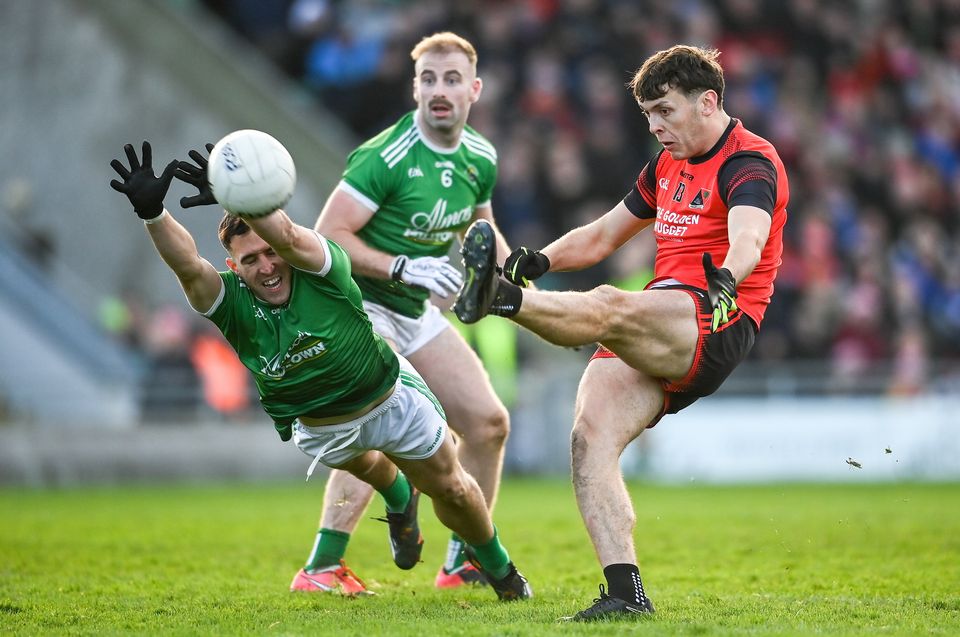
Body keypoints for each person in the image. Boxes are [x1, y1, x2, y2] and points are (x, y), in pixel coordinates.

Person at [108, 140, 532, 603]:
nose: (267, 265)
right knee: (370, 465)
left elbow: (288, 236)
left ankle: (498, 566)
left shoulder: (321, 266)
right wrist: (153, 213)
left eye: (269, 253)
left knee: (451, 488)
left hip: (391, 402)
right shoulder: (229, 302)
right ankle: (397, 498)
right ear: (234, 266)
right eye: (250, 260)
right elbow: (188, 266)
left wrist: (239, 196)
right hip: (319, 428)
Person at [453, 45, 788, 620]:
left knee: (608, 304)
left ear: (707, 102)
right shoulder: (666, 165)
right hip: (665, 316)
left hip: (716, 314)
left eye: (665, 110)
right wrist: (539, 260)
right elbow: (606, 233)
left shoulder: (749, 163)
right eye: (648, 115)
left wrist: (727, 279)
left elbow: (749, 239)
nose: (656, 126)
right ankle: (625, 593)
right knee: (590, 437)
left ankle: (500, 300)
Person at [303, 31, 516, 593]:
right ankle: (321, 568)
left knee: (488, 424)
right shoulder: (385, 156)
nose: (439, 90)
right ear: (414, 88)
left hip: (413, 307)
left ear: (474, 90)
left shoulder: (480, 156)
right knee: (380, 425)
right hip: (359, 305)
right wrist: (402, 265)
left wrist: (515, 277)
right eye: (428, 79)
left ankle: (464, 558)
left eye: (451, 79)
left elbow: (484, 227)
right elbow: (328, 237)